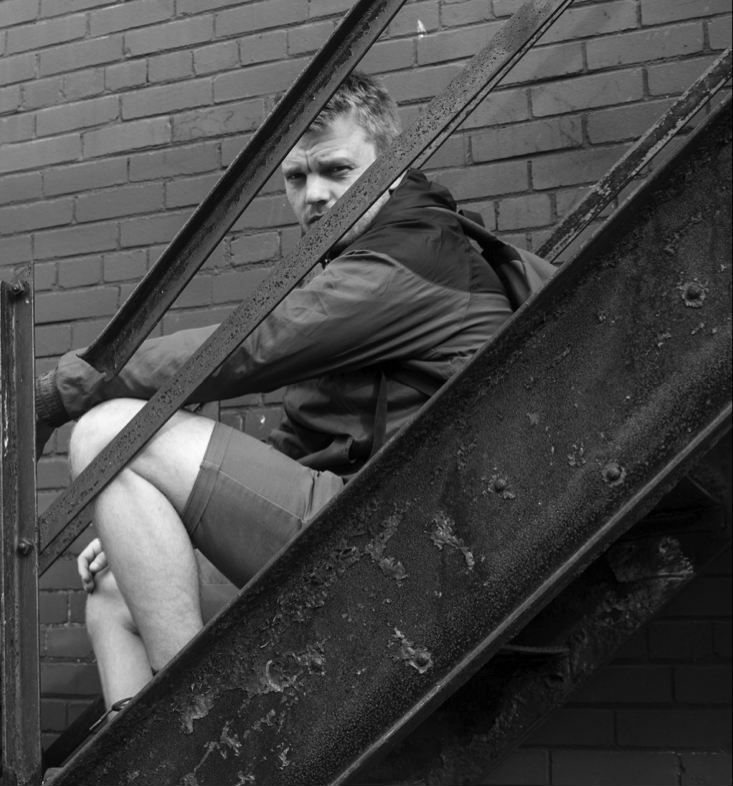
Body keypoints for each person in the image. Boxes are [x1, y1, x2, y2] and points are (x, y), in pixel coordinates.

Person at [34, 72, 513, 713]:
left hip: (410, 541)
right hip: (366, 521)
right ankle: (154, 751)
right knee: (114, 590)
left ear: (395, 165)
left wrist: (60, 394)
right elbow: (304, 435)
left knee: (106, 432)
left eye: (337, 170)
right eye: (296, 177)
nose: (315, 195)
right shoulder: (360, 260)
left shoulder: (413, 260)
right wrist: (143, 527)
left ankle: (181, 726)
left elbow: (249, 347)